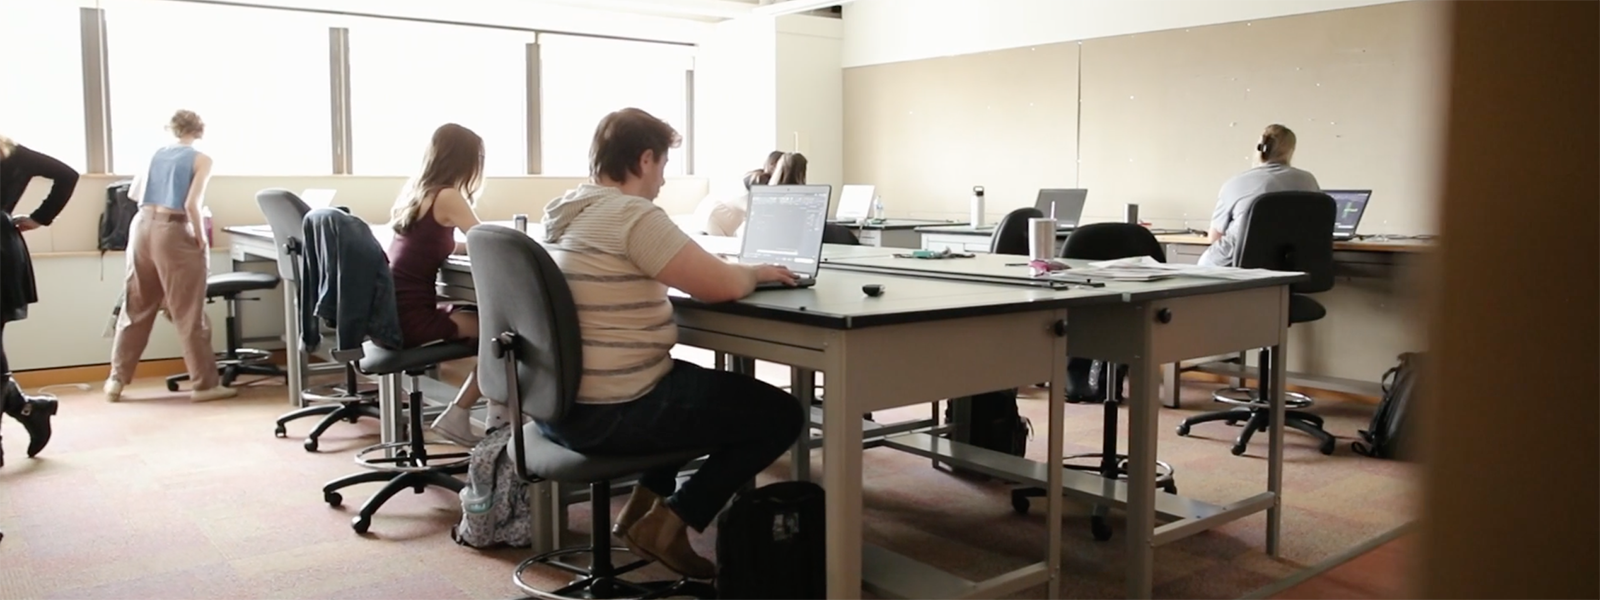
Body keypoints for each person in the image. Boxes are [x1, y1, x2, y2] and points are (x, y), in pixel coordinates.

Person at [538, 108, 804, 579]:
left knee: (693, 387)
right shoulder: (632, 215)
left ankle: (639, 511)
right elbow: (719, 285)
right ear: (644, 159)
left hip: (563, 406)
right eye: (662, 165)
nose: (662, 179)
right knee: (781, 414)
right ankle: (669, 523)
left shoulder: (569, 213)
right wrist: (757, 272)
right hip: (615, 408)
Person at [106, 110, 238, 403]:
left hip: (141, 228)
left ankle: (116, 381)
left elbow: (135, 194)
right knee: (188, 312)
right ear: (199, 130)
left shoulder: (155, 154)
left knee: (136, 306)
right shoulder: (202, 159)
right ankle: (205, 385)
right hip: (173, 231)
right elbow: (192, 203)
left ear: (172, 128)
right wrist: (201, 238)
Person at [387, 123, 487, 445]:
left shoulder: (417, 194)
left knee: (481, 317)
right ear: (466, 161)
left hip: (394, 310)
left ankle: (495, 408)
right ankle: (460, 414)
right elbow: (487, 241)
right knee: (505, 333)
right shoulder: (448, 195)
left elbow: (433, 243)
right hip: (413, 318)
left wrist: (459, 247)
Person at [0, 134, 77, 465]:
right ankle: (27, 408)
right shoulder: (13, 152)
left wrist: (40, 218)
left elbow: (68, 175)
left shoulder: (11, 151)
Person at [1197, 124, 1321, 267]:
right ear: (1290, 151)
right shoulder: (1308, 181)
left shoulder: (1235, 183)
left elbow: (1214, 237)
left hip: (1232, 267)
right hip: (1289, 265)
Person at [689, 150, 783, 236]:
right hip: (715, 217)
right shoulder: (758, 181)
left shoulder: (756, 176)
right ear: (773, 165)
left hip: (720, 215)